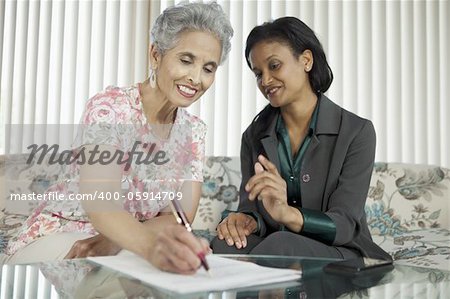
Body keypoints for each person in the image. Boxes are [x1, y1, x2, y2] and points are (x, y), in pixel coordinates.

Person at [6, 1, 233, 274]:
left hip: (127, 246)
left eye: (208, 68)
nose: (196, 78)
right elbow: (102, 203)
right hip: (62, 234)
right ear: (155, 55)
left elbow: (177, 218)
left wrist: (115, 242)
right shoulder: (110, 108)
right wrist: (140, 245)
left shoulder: (194, 131)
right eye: (186, 60)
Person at [212, 16, 391, 261]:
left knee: (282, 244)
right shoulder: (253, 136)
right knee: (224, 245)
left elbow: (345, 224)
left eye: (274, 66)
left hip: (340, 250)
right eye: (258, 73)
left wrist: (287, 214)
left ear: (306, 60)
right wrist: (244, 221)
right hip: (277, 244)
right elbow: (250, 207)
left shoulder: (357, 132)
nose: (265, 81)